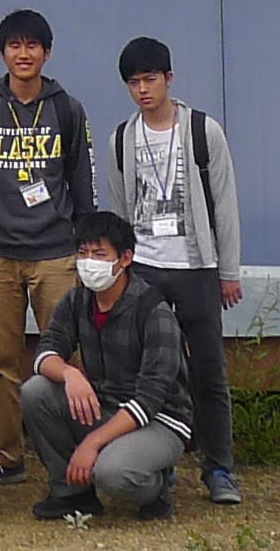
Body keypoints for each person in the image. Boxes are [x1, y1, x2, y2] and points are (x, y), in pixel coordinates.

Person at [106, 36, 247, 506]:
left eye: (150, 79)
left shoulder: (203, 131)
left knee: (208, 371)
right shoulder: (122, 138)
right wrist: (120, 271)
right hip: (144, 268)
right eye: (133, 83)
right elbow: (121, 209)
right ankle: (157, 466)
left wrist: (228, 270)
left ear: (169, 78)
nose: (143, 90)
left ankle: (220, 468)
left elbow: (225, 204)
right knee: (148, 372)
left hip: (196, 266)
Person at [0, 6, 90, 479]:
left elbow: (82, 182)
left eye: (33, 45)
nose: (24, 53)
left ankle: (73, 458)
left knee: (65, 358)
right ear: (2, 52)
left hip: (57, 254)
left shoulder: (67, 109)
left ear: (47, 52)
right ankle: (7, 457)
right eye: (15, 45)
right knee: (3, 364)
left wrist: (86, 248)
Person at [22, 211, 192, 522]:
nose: (89, 262)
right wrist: (70, 373)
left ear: (125, 258)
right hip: (105, 406)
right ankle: (71, 492)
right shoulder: (77, 300)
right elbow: (46, 351)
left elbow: (151, 398)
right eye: (83, 253)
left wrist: (92, 442)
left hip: (159, 419)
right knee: (36, 391)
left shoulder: (154, 311)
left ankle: (155, 485)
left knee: (112, 473)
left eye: (100, 254)